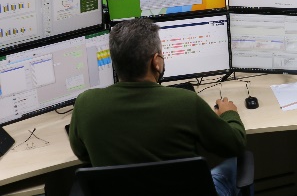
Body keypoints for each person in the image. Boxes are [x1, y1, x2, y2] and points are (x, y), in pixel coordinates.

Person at [69, 18, 247, 196]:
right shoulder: (186, 103)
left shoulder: (85, 104)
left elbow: (83, 155)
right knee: (233, 163)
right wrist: (229, 113)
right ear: (156, 62)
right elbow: (234, 145)